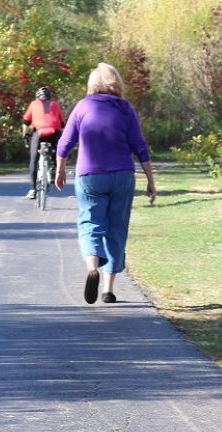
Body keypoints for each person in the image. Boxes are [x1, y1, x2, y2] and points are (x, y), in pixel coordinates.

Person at [55, 62, 157, 304]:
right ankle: (108, 289)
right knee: (116, 228)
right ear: (117, 82)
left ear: (92, 84)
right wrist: (151, 180)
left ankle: (92, 267)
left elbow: (65, 142)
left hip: (90, 175)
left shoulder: (83, 107)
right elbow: (140, 146)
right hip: (122, 175)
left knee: (90, 222)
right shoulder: (126, 109)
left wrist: (60, 170)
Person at [23, 86, 65, 200]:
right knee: (58, 154)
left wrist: (25, 136)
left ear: (37, 97)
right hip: (54, 132)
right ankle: (54, 170)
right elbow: (62, 124)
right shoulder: (55, 105)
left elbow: (25, 123)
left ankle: (32, 189)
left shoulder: (33, 104)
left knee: (34, 160)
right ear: (49, 97)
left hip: (39, 133)